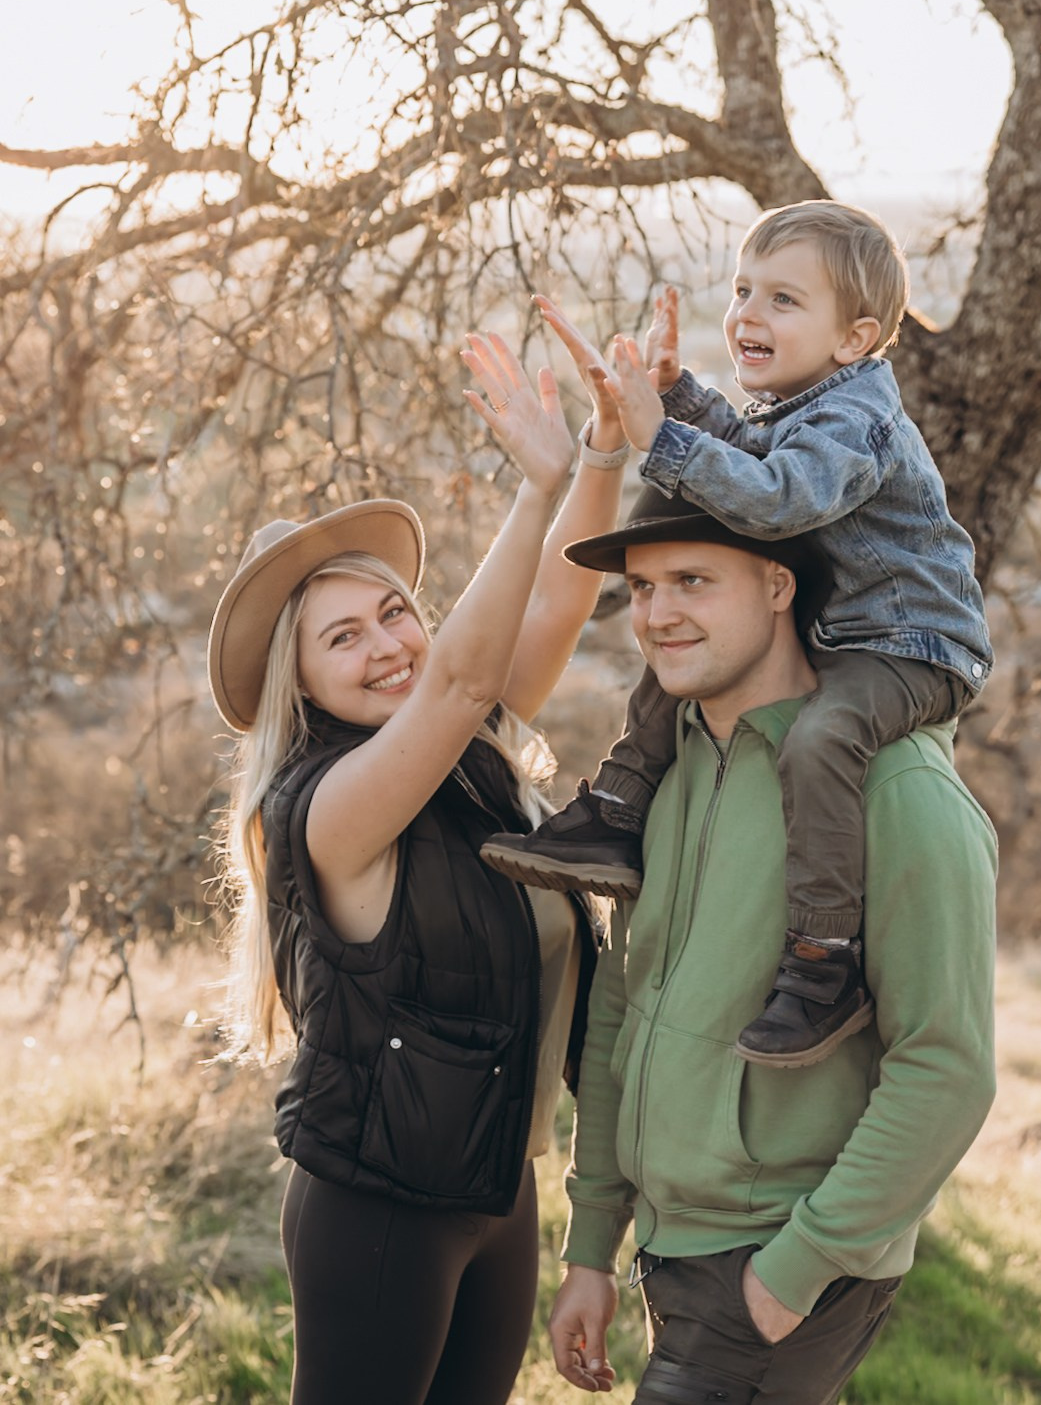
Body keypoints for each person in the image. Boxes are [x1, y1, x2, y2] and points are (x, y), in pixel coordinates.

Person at [207, 330, 633, 1405]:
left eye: (394, 610)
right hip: (381, 1206)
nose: (388, 644)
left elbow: (554, 606)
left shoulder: (472, 757)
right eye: (341, 637)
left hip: (497, 1185)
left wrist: (596, 456)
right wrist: (530, 495)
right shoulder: (325, 806)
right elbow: (452, 681)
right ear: (299, 683)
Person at [483, 200, 993, 1066]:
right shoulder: (807, 400)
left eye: (784, 301)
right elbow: (748, 451)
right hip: (844, 625)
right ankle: (617, 809)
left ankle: (825, 962)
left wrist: (657, 432)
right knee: (687, 648)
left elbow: (777, 499)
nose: (750, 315)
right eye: (743, 290)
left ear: (856, 337)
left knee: (822, 738)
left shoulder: (859, 418)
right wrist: (680, 395)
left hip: (912, 646)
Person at [546, 482, 998, 1404]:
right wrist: (593, 1243)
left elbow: (947, 1067)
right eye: (641, 587)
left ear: (781, 585)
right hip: (676, 1252)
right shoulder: (668, 776)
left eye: (693, 581)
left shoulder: (896, 787)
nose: (659, 615)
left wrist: (795, 1271)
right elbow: (622, 1010)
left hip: (780, 1258)